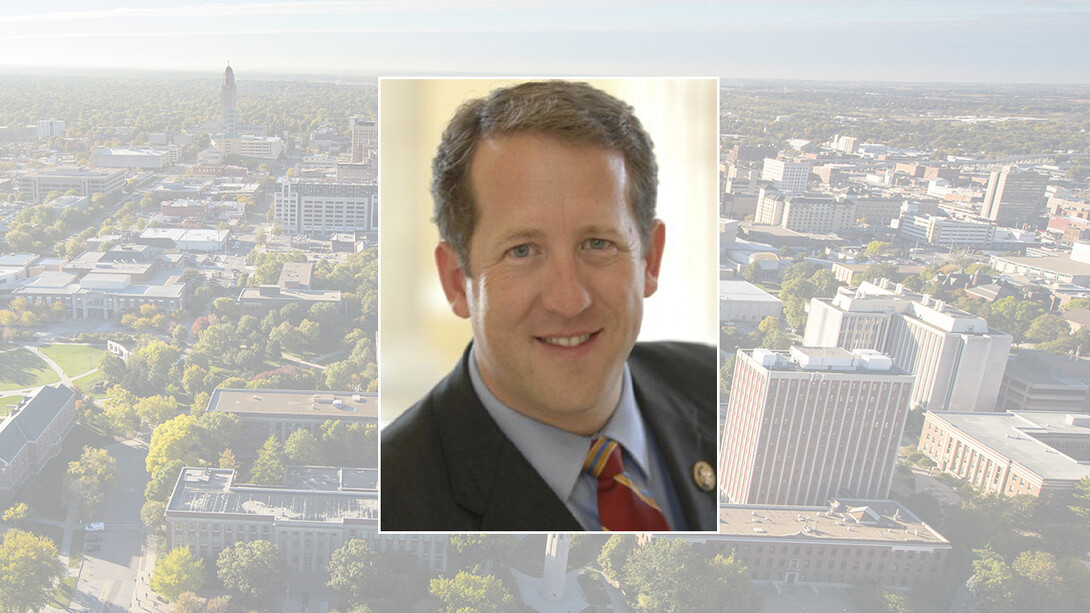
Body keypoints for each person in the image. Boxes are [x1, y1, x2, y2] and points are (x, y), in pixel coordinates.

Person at [381, 80, 716, 532]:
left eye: (598, 243)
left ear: (649, 260)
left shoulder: (714, 388)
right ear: (457, 281)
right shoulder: (392, 500)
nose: (568, 299)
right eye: (522, 251)